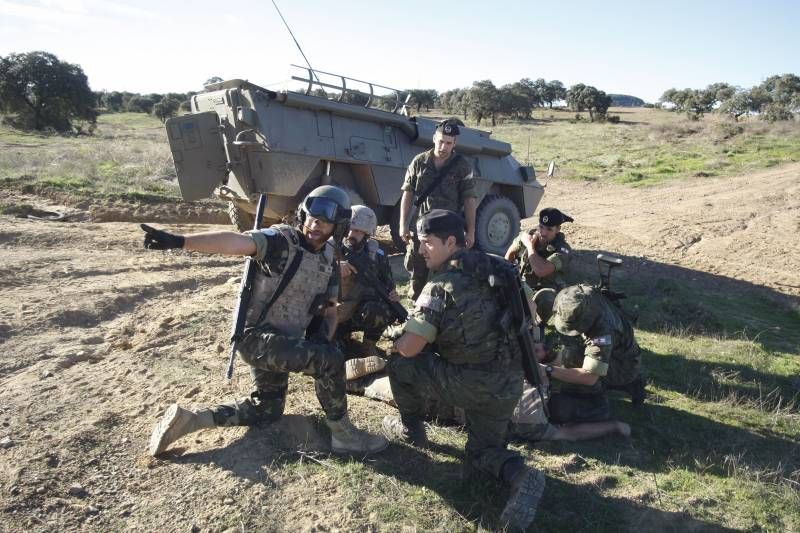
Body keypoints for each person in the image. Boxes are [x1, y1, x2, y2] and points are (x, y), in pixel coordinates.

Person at [143, 186, 388, 456]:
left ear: (338, 226)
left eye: (325, 221)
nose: (315, 224)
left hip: (285, 342)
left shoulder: (329, 258)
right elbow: (236, 243)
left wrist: (322, 338)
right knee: (329, 360)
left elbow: (330, 310)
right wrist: (180, 241)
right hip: (256, 339)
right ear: (303, 215)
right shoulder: (281, 241)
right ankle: (343, 436)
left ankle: (192, 419)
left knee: (267, 409)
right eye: (311, 217)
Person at [382, 209, 545, 531]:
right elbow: (533, 311)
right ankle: (522, 475)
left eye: (427, 242)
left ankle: (411, 429)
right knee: (482, 452)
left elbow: (410, 348)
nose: (420, 249)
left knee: (399, 364)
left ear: (451, 242)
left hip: (469, 381)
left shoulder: (441, 286)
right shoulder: (499, 270)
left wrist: (397, 334)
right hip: (509, 383)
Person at [544, 284, 646, 426]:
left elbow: (589, 377)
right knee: (571, 353)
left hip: (624, 366)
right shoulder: (580, 296)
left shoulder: (603, 330)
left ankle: (594, 404)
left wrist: (547, 370)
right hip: (619, 352)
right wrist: (549, 361)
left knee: (574, 359)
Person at [398, 120, 477, 300]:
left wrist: (471, 231)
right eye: (441, 141)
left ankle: (444, 312)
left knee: (450, 274)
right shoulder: (419, 162)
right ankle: (416, 312)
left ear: (454, 143)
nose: (444, 147)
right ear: (434, 138)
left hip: (448, 232)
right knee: (418, 272)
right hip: (423, 229)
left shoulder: (462, 165)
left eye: (449, 143)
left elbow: (469, 200)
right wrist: (402, 225)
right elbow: (407, 194)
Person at [336, 205, 401, 379]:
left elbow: (388, 286)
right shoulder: (329, 249)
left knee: (381, 308)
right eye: (350, 229)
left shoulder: (377, 255)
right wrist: (334, 268)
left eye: (358, 231)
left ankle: (368, 345)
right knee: (332, 353)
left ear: (367, 234)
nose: (352, 234)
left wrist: (394, 294)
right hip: (332, 314)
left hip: (360, 312)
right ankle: (342, 346)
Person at [505, 207, 574, 319]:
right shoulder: (529, 235)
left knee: (547, 300)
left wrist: (529, 247)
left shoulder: (563, 250)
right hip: (525, 286)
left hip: (547, 289)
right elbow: (509, 254)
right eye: (541, 227)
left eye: (549, 229)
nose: (543, 232)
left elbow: (541, 270)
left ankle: (538, 325)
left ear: (558, 229)